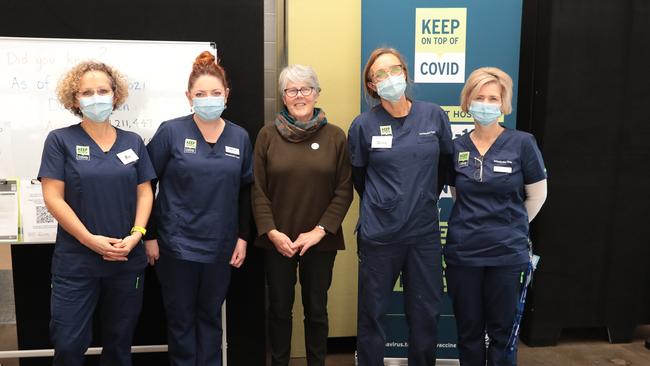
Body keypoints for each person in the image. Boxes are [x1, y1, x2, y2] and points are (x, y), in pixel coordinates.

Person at [38, 61, 156, 366]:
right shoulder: (60, 141)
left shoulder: (133, 142)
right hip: (76, 262)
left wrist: (136, 236)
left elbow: (144, 191)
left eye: (102, 90)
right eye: (87, 92)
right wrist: (90, 240)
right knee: (68, 344)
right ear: (75, 99)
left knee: (120, 344)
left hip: (126, 259)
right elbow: (53, 197)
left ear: (115, 95)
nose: (96, 97)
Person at [144, 51, 253, 366]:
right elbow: (145, 184)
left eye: (215, 93)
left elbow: (246, 190)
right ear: (188, 97)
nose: (209, 99)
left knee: (210, 318)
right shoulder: (171, 132)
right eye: (201, 94)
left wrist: (242, 237)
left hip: (220, 246)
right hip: (176, 246)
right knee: (180, 320)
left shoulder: (239, 137)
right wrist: (149, 235)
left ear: (226, 94)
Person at [347, 47, 454, 366]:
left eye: (394, 70)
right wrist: (388, 204)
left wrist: (418, 200)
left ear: (405, 74)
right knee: (372, 315)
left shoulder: (434, 115)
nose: (389, 78)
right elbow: (359, 177)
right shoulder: (363, 125)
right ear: (370, 84)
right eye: (379, 74)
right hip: (379, 237)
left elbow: (444, 168)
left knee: (425, 315)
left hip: (423, 236)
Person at [445, 66, 547, 366]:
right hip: (464, 253)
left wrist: (510, 225)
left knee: (503, 333)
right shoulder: (457, 147)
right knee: (468, 332)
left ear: (503, 104)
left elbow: (537, 195)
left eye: (493, 98)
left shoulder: (523, 143)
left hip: (506, 254)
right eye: (480, 97)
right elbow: (456, 193)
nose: (486, 104)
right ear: (468, 102)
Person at [252, 64, 353, 366]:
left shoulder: (336, 137)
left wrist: (320, 230)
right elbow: (258, 189)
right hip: (277, 241)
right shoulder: (267, 136)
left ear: (317, 93)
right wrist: (272, 232)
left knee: (317, 310)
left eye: (305, 89)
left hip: (320, 241)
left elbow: (344, 190)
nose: (299, 96)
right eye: (292, 90)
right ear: (283, 97)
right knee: (280, 310)